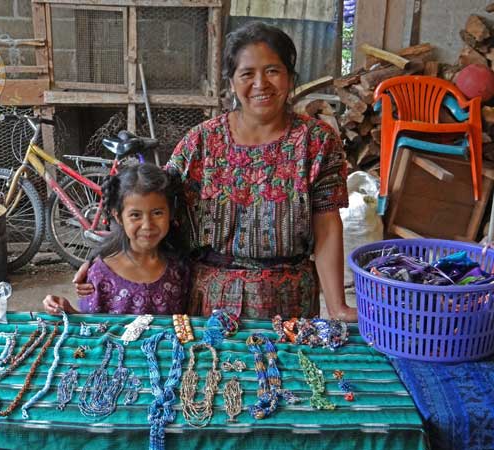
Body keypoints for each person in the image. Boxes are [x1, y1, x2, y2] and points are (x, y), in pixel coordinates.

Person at [74, 21, 357, 322]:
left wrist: (337, 306)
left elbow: (327, 226)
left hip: (291, 302)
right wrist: (103, 258)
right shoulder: (201, 142)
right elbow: (149, 204)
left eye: (272, 70)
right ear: (232, 82)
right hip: (210, 304)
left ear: (290, 77)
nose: (261, 84)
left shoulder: (317, 141)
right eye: (247, 74)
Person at [43, 163, 188, 315]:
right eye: (135, 215)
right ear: (118, 217)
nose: (147, 225)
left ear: (170, 212)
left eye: (157, 213)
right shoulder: (101, 274)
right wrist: (67, 311)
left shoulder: (178, 269)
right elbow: (92, 327)